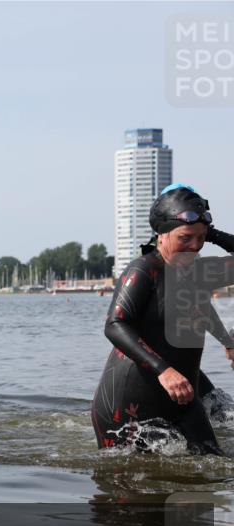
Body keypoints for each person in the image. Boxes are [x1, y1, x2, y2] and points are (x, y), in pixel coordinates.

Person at [92, 184, 234, 455]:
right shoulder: (143, 270)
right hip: (128, 405)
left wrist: (209, 231)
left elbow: (198, 309)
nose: (194, 246)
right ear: (161, 235)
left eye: (201, 238)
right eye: (185, 238)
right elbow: (115, 325)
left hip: (183, 398)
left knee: (215, 471)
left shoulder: (199, 272)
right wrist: (164, 371)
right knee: (136, 489)